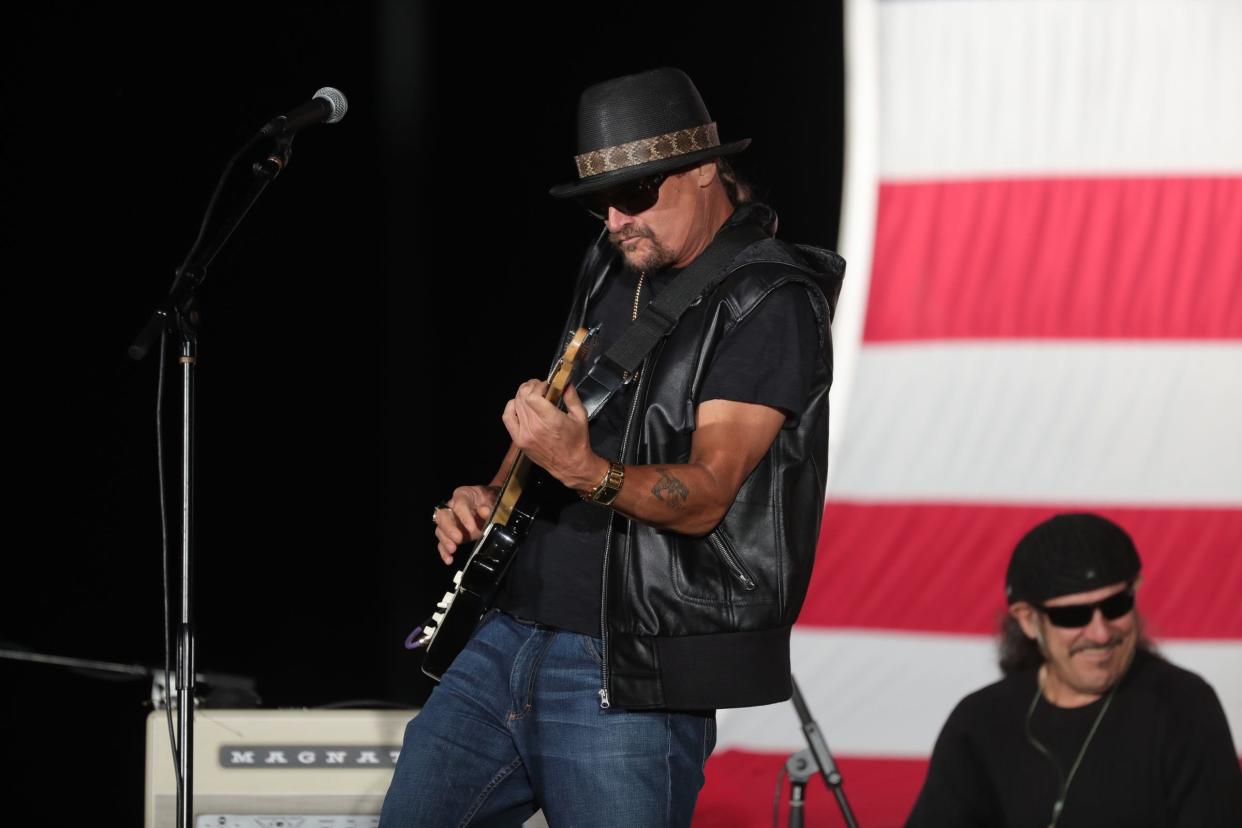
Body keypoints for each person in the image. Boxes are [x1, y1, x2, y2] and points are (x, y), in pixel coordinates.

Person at [380, 67, 844, 827]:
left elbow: (707, 494)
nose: (615, 220)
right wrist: (493, 498)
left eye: (636, 195)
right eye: (599, 202)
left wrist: (581, 468)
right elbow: (564, 405)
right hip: (507, 632)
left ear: (703, 170)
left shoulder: (768, 301)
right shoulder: (614, 264)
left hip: (627, 669)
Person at [906, 512, 1242, 828]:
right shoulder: (979, 722)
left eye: (1116, 606)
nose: (1100, 632)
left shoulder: (1185, 707)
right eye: (1073, 616)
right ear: (1027, 619)